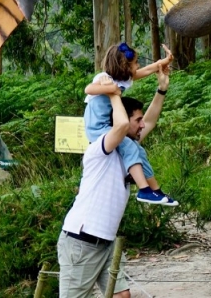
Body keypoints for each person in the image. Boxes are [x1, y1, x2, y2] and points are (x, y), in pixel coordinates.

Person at [58, 67, 170, 298]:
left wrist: (162, 89)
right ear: (121, 119)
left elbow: (149, 121)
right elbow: (120, 126)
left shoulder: (129, 150)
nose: (141, 126)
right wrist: (113, 94)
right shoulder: (101, 146)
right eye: (136, 120)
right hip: (82, 241)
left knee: (122, 296)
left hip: (106, 242)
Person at [85, 42, 177, 205]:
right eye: (135, 63)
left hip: (108, 125)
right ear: (124, 65)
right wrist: (110, 89)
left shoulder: (124, 78)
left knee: (138, 150)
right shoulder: (104, 78)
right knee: (128, 144)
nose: (138, 66)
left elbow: (149, 69)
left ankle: (154, 190)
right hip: (98, 128)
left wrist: (165, 61)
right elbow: (89, 89)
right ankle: (143, 190)